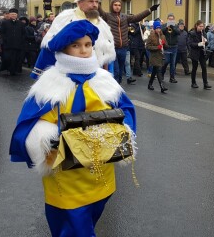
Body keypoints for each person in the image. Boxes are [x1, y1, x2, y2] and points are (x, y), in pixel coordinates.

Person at [9, 20, 136, 236]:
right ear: (65, 48)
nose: (84, 50)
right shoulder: (49, 84)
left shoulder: (105, 81)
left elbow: (126, 111)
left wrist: (119, 132)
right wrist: (47, 138)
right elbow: (29, 124)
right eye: (76, 46)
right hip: (65, 171)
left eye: (87, 45)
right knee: (73, 225)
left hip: (100, 169)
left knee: (89, 218)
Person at [31, 0, 115, 79]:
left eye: (97, 2)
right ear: (79, 2)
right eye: (91, 1)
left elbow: (107, 53)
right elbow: (52, 45)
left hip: (95, 74)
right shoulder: (65, 18)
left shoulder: (101, 23)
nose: (95, 5)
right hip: (67, 75)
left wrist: (107, 75)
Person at [100, 0, 157, 84]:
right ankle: (116, 89)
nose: (117, 7)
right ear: (112, 6)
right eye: (115, 5)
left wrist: (150, 10)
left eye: (119, 5)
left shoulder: (125, 17)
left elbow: (138, 17)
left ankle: (118, 86)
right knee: (116, 71)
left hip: (123, 48)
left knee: (120, 73)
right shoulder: (107, 16)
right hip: (113, 49)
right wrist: (95, 0)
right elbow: (99, 11)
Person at [0, 8, 27, 75]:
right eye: (12, 14)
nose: (13, 15)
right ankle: (9, 69)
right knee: (8, 58)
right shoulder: (5, 23)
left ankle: (15, 70)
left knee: (17, 58)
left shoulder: (21, 24)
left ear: (17, 15)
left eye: (15, 14)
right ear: (9, 15)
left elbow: (24, 34)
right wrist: (5, 40)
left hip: (18, 45)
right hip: (8, 45)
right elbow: (2, 33)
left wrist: (22, 41)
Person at [145, 21, 169, 93]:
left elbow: (167, 47)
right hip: (154, 56)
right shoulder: (151, 36)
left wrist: (164, 44)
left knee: (155, 71)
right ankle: (162, 86)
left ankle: (150, 84)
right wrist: (157, 47)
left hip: (161, 56)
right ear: (154, 29)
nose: (158, 30)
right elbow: (147, 47)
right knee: (158, 70)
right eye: (157, 28)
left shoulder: (163, 36)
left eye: (159, 28)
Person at [187, 20, 211, 90]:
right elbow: (190, 43)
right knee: (195, 68)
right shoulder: (192, 33)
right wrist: (198, 44)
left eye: (202, 26)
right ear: (196, 26)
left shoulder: (203, 33)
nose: (201, 28)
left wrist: (206, 42)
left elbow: (206, 43)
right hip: (194, 52)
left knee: (204, 67)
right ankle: (193, 82)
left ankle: (205, 83)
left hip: (202, 52)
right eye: (200, 26)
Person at [160, 13, 179, 83]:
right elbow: (161, 32)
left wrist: (173, 27)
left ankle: (172, 78)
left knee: (173, 63)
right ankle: (161, 74)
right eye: (169, 19)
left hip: (174, 47)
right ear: (167, 19)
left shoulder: (176, 26)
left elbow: (178, 32)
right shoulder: (164, 25)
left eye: (172, 19)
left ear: (174, 20)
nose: (171, 20)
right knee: (166, 61)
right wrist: (167, 27)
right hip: (167, 47)